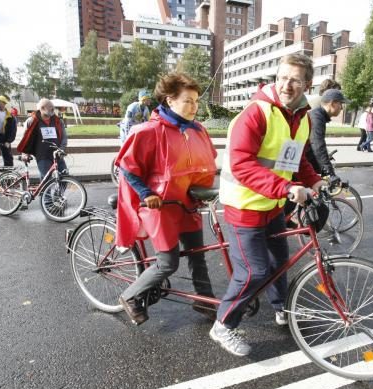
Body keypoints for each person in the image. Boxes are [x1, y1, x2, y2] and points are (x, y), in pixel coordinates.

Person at [211, 53, 325, 356]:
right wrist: (286, 187)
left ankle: (281, 308)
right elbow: (241, 164)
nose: (287, 84)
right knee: (254, 271)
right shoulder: (256, 112)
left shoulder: (301, 117)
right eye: (283, 77)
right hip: (244, 205)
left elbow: (296, 158)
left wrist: (314, 180)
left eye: (295, 80)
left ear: (307, 84)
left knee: (279, 261)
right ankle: (222, 325)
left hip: (272, 205)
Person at [115, 73, 217, 325]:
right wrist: (146, 193)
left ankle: (205, 300)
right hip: (160, 206)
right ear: (170, 101)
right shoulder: (149, 131)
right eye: (188, 101)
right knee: (168, 262)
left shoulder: (197, 130)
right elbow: (127, 167)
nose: (194, 107)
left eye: (196, 101)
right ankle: (130, 296)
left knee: (197, 254)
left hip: (187, 203)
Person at [16, 99, 68, 179]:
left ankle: (57, 192)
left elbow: (64, 136)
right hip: (42, 155)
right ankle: (45, 191)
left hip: (57, 154)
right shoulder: (31, 121)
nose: (53, 109)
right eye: (50, 107)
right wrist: (25, 153)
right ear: (42, 108)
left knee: (64, 176)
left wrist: (62, 148)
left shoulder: (57, 121)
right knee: (46, 180)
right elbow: (25, 138)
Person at [307, 88, 351, 181]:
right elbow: (317, 145)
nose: (341, 108)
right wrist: (330, 173)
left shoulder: (319, 115)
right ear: (333, 103)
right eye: (340, 104)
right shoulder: (317, 117)